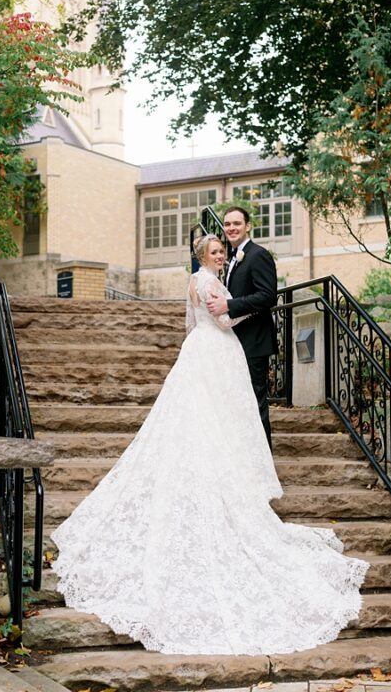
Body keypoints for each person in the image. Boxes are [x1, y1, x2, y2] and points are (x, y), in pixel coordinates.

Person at [50, 235, 366, 655]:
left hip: (198, 350)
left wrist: (223, 312)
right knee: (222, 414)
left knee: (209, 415)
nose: (220, 256)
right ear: (204, 256)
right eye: (215, 252)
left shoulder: (192, 283)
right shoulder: (212, 283)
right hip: (217, 349)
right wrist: (238, 312)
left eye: (222, 251)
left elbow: (190, 322)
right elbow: (221, 320)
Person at [202, 205, 279, 447]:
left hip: (255, 342)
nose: (231, 228)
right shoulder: (233, 257)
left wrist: (230, 305)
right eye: (227, 224)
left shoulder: (258, 255)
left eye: (236, 223)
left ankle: (263, 465)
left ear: (248, 226)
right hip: (238, 341)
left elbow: (268, 297)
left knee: (256, 404)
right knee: (241, 403)